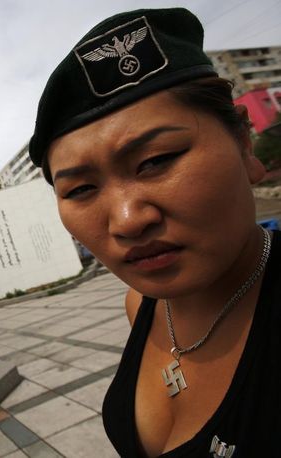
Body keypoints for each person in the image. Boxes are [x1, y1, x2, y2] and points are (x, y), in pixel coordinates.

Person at [28, 8, 279, 457]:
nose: (127, 220)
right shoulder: (141, 305)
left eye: (157, 160)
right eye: (81, 188)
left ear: (243, 143)